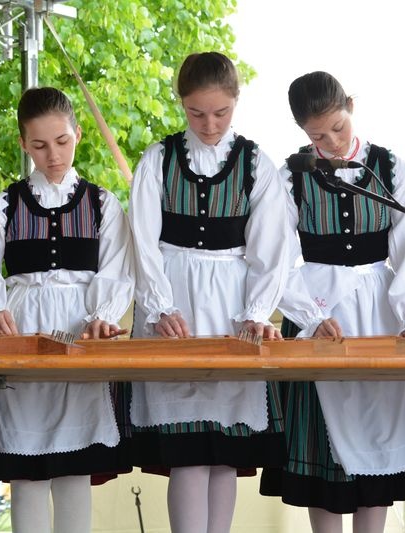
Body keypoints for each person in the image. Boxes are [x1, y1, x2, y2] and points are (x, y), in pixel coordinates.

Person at [259, 71, 405, 533]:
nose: (332, 142)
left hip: (381, 312)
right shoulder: (290, 177)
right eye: (317, 136)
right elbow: (274, 258)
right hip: (317, 311)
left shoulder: (390, 168)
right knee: (322, 446)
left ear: (352, 107)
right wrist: (310, 316)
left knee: (380, 434)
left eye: (338, 128)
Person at [128, 51, 289, 533]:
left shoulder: (256, 164)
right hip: (173, 307)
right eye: (196, 113)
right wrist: (160, 306)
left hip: (230, 311)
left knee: (225, 453)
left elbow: (272, 249)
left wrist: (257, 311)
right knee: (188, 451)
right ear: (182, 103)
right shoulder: (158, 159)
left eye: (221, 112)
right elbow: (142, 241)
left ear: (236, 101)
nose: (210, 124)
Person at [0, 86, 134, 533]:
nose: (53, 155)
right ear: (24, 143)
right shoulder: (5, 205)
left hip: (79, 336)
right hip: (21, 335)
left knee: (76, 468)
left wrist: (103, 315)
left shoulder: (102, 204)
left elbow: (118, 268)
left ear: (78, 134)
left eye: (62, 141)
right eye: (39, 145)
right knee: (26, 472)